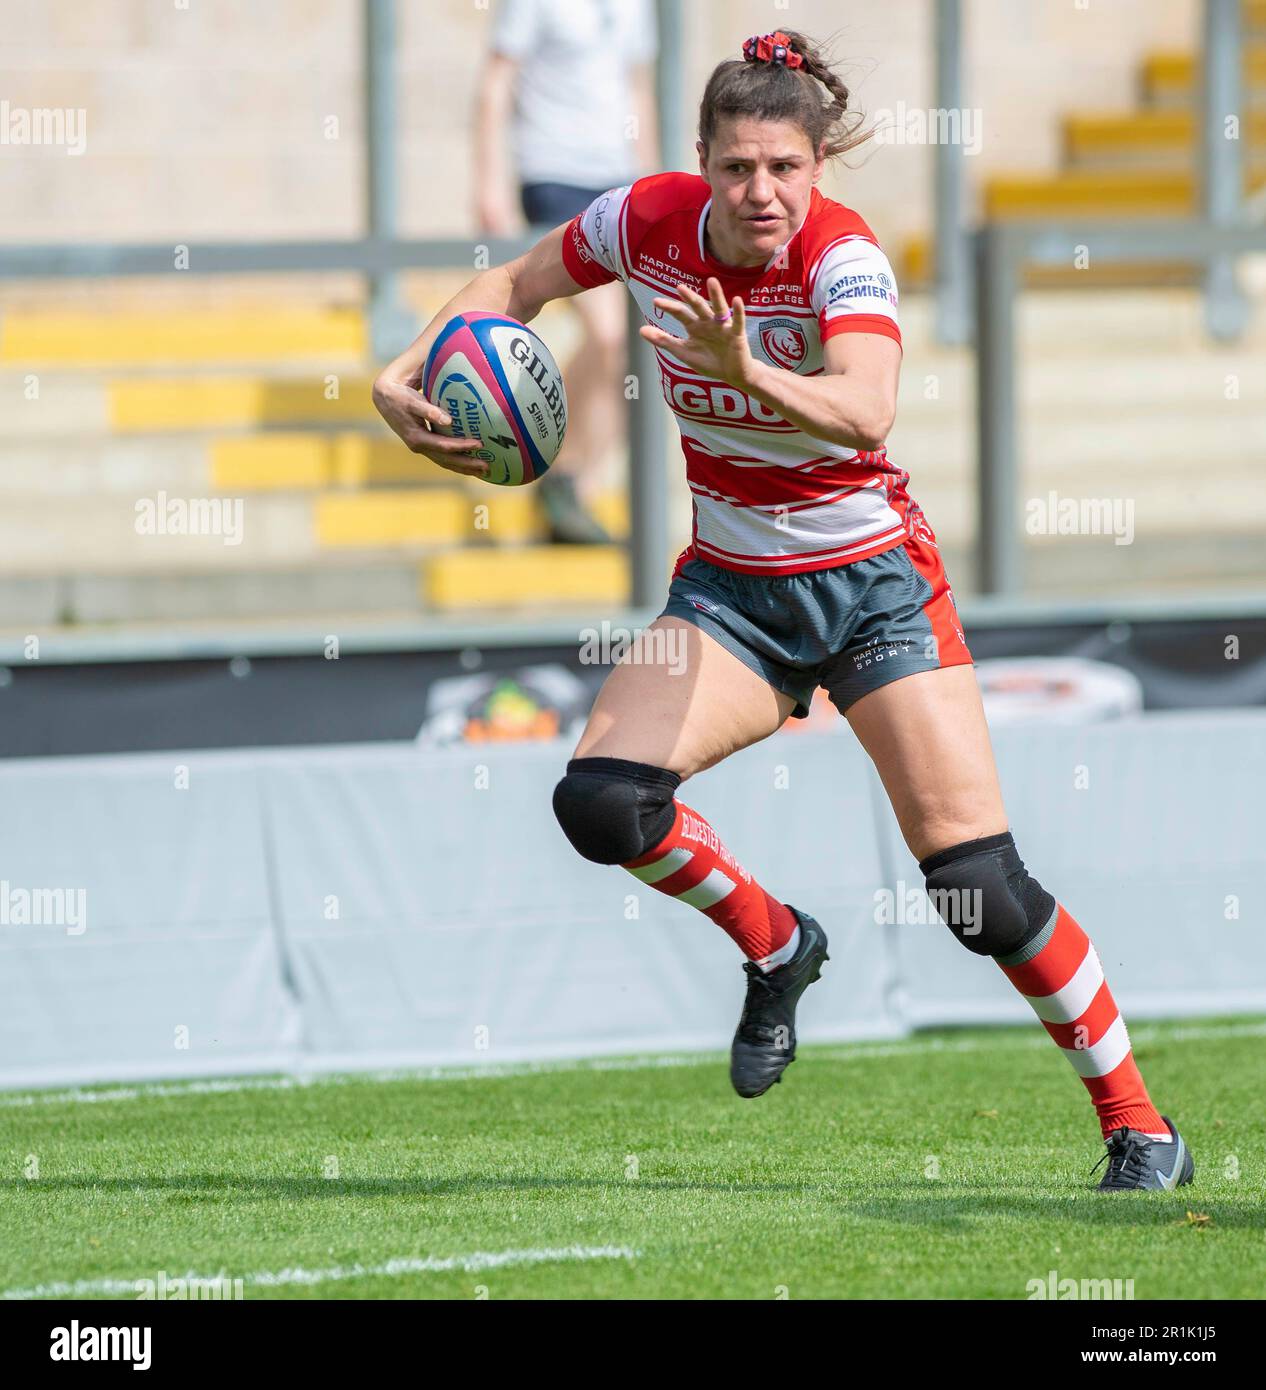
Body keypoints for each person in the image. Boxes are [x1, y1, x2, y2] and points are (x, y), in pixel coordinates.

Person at [374, 30, 1194, 1193]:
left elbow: (865, 411)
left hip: (872, 588)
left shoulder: (843, 259)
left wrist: (745, 364)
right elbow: (517, 283)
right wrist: (402, 365)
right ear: (701, 162)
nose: (761, 192)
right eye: (737, 167)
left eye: (785, 170)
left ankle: (1139, 1124)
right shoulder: (646, 222)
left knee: (980, 887)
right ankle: (777, 940)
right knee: (603, 803)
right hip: (731, 591)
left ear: (819, 170)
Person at [474, 0, 659, 544]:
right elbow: (494, 82)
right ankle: (560, 475)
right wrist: (488, 185)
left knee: (640, 343)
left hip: (616, 178)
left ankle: (579, 487)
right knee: (608, 333)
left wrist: (649, 183)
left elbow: (637, 90)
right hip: (553, 175)